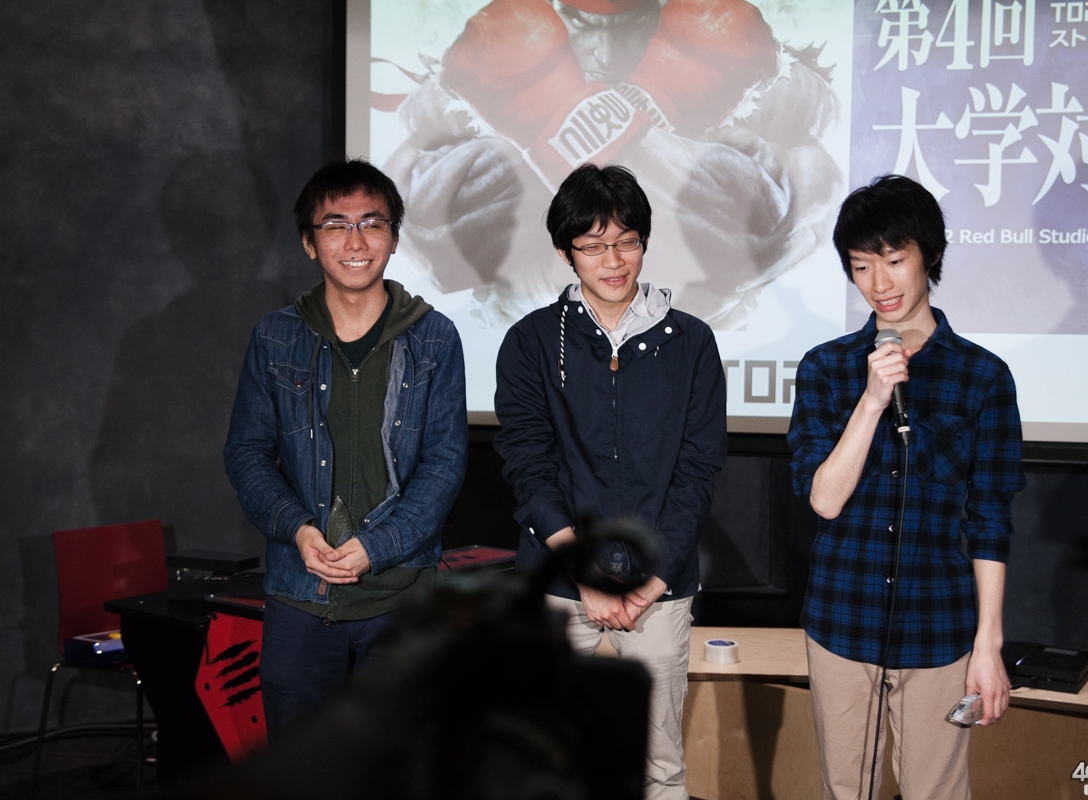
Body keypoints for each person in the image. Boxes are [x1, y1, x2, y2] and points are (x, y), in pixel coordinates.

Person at [382, 0, 839, 326]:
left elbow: (804, 193)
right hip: (535, 302)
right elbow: (420, 214)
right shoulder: (500, 46)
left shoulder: (726, 43)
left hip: (687, 307)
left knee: (767, 204)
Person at [787, 174, 1025, 799]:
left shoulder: (982, 376)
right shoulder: (826, 367)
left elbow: (989, 518)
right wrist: (871, 401)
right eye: (861, 266)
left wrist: (988, 644)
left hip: (939, 624)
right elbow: (824, 499)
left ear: (931, 254)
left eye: (894, 260)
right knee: (847, 790)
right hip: (843, 617)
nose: (879, 283)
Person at [493, 163, 726, 800]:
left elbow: (698, 470)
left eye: (627, 242)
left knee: (659, 769)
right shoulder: (532, 341)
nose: (614, 260)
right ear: (566, 252)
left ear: (644, 242)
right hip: (558, 582)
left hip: (658, 587)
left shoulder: (691, 342)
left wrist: (654, 578)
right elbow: (528, 462)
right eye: (593, 246)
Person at [224, 159, 468, 734]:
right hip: (301, 594)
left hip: (405, 597)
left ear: (394, 238)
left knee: (400, 766)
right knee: (302, 768)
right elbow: (247, 453)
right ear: (309, 242)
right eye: (336, 225)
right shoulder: (276, 335)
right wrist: (298, 529)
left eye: (372, 224)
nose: (355, 242)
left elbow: (446, 461)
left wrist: (376, 547)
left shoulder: (434, 336)